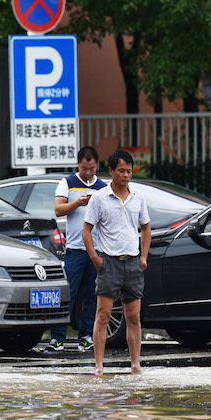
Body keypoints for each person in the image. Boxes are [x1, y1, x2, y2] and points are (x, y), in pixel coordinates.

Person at [82, 150, 151, 374]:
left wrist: (143, 256)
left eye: (129, 171)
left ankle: (135, 364)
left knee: (133, 317)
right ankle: (99, 365)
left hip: (132, 263)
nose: (126, 175)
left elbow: (146, 227)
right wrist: (95, 258)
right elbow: (87, 229)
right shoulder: (100, 198)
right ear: (111, 171)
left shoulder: (138, 198)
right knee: (103, 315)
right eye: (121, 170)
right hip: (108, 262)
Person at [44, 146, 108, 353]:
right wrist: (77, 203)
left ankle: (86, 336)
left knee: (91, 294)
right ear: (78, 165)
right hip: (75, 248)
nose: (87, 172)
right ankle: (57, 338)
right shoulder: (68, 183)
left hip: (97, 249)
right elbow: (58, 209)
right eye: (84, 168)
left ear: (96, 165)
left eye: (91, 168)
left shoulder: (102, 187)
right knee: (68, 293)